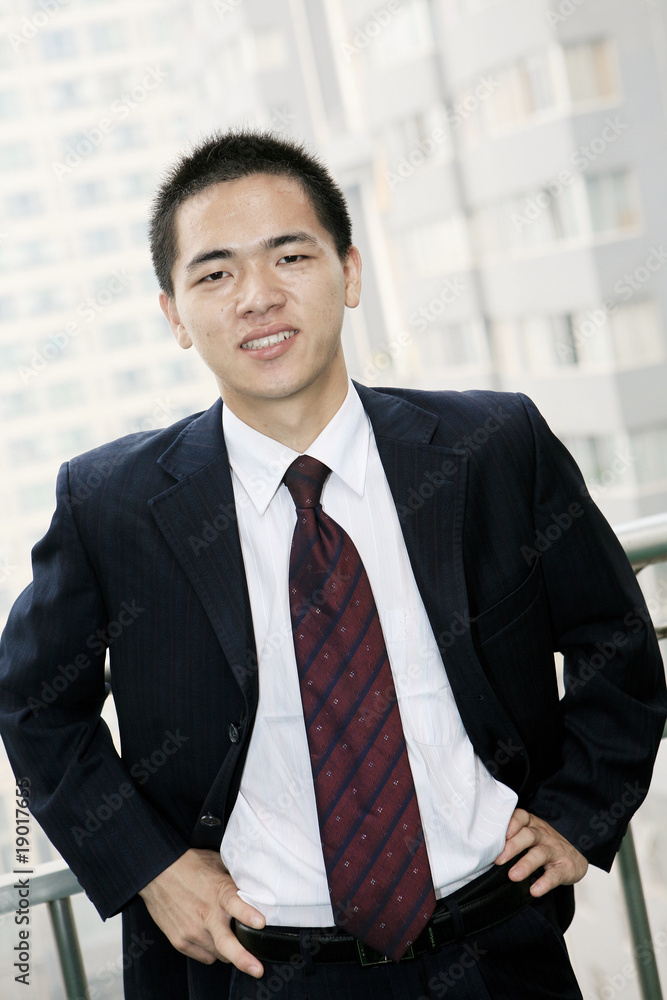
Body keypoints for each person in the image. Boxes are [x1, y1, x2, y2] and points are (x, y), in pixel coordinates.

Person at [0, 130, 665, 1000]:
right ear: (173, 314)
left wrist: (582, 813)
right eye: (214, 273)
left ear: (349, 274)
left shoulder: (490, 448)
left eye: (290, 255)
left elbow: (613, 637)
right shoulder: (111, 503)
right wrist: (153, 870)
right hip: (259, 970)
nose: (257, 297)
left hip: (496, 948)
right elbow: (37, 705)